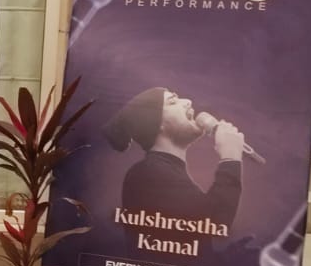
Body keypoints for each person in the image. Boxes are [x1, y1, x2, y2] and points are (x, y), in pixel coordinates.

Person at [103, 87, 245, 230]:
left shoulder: (162, 170)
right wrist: (230, 157)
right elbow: (214, 222)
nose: (188, 101)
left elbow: (192, 228)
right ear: (156, 123)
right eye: (172, 102)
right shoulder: (146, 173)